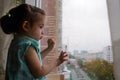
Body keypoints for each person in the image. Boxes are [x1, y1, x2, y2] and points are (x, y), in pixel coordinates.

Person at [0, 4, 68, 80]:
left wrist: (48, 49)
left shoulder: (17, 42)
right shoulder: (27, 46)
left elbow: (34, 61)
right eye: (41, 27)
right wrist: (57, 62)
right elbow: (39, 72)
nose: (43, 32)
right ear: (26, 26)